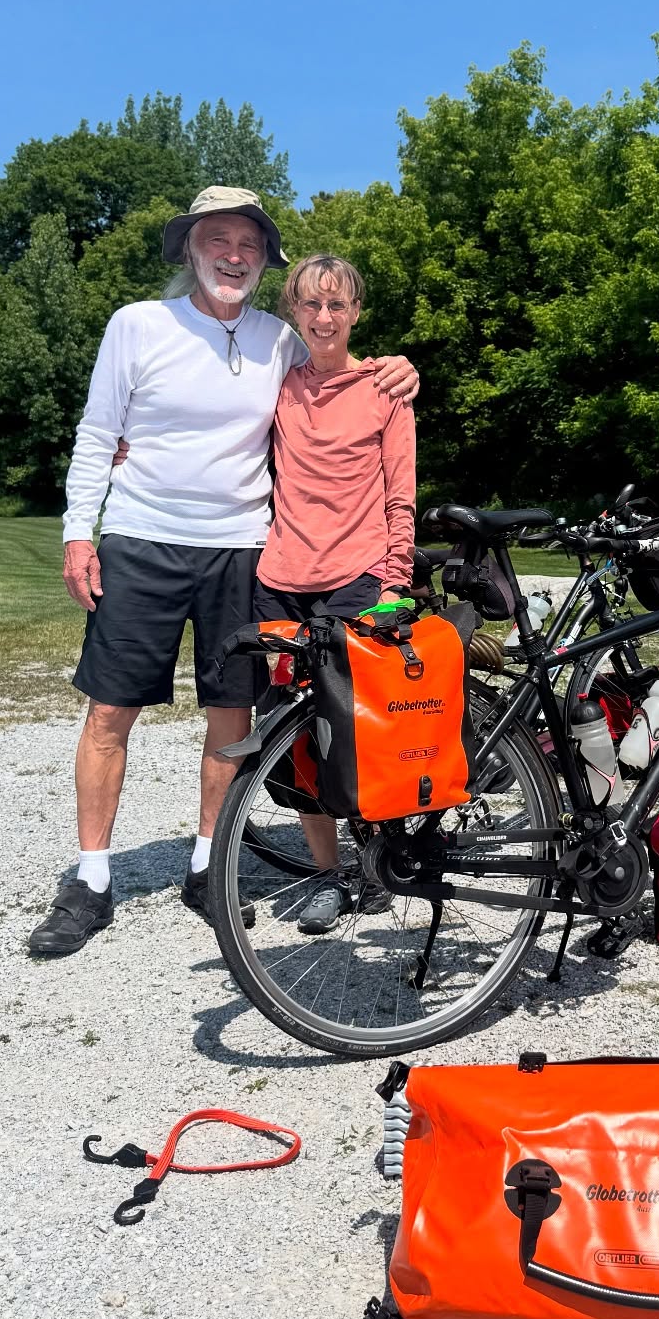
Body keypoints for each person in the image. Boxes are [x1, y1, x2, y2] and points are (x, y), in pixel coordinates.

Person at [27, 188, 417, 958]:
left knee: (231, 716)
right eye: (218, 240)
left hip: (243, 546)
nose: (233, 254)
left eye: (247, 243)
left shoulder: (279, 339)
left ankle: (211, 867)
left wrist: (400, 367)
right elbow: (98, 433)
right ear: (190, 250)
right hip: (141, 538)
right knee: (110, 713)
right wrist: (81, 532)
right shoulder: (137, 324)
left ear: (261, 259)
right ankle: (93, 878)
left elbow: (346, 370)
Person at [252, 252, 416, 933]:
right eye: (311, 304)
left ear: (356, 313)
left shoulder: (386, 388)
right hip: (278, 585)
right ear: (294, 312)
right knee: (296, 744)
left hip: (355, 583)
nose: (324, 316)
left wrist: (395, 584)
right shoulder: (277, 388)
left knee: (361, 737)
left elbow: (400, 495)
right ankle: (327, 875)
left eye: (337, 304)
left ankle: (380, 858)